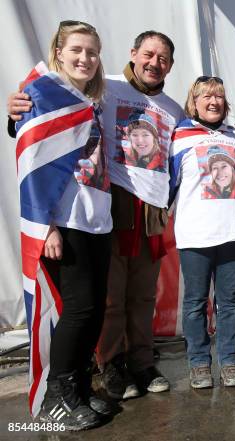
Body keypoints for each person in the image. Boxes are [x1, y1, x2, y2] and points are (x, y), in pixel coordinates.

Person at [7, 30, 184, 401]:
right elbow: (56, 114)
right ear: (133, 53)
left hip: (151, 208)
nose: (154, 63)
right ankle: (111, 366)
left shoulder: (173, 108)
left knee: (142, 296)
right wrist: (16, 114)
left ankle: (142, 362)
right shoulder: (106, 87)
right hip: (112, 201)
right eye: (148, 54)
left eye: (163, 58)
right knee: (110, 297)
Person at [14, 20, 112, 430]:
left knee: (92, 311)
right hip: (64, 222)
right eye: (76, 50)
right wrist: (46, 227)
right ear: (58, 52)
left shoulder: (90, 101)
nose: (84, 58)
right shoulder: (40, 94)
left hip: (97, 219)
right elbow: (30, 161)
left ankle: (78, 386)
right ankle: (57, 393)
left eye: (91, 52)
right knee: (78, 309)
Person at [168, 76, 235, 389]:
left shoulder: (234, 136)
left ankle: (228, 361)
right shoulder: (180, 135)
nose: (213, 102)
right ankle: (199, 362)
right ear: (194, 102)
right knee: (196, 303)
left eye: (218, 97)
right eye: (206, 97)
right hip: (196, 234)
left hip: (233, 232)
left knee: (229, 302)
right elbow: (166, 182)